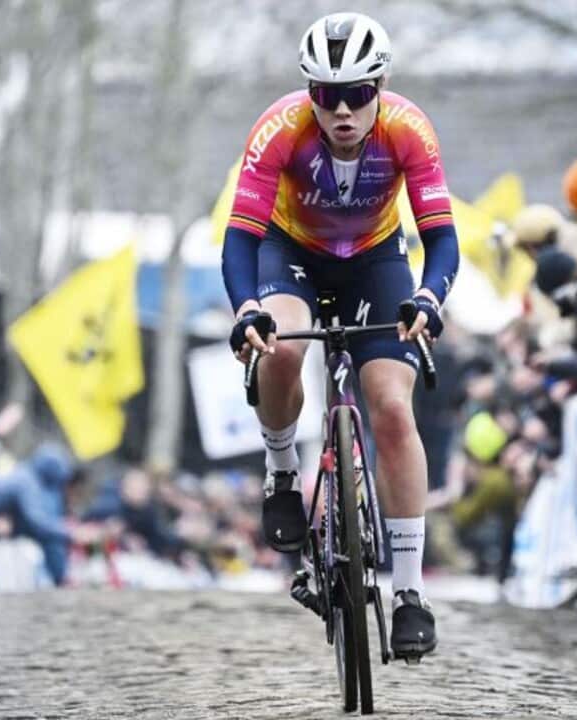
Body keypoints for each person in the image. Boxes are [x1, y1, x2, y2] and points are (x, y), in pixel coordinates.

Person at [221, 12, 458, 659]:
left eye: (358, 93)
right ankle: (280, 470)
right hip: (290, 251)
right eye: (328, 96)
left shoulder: (409, 130)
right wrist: (246, 309)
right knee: (284, 345)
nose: (343, 110)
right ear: (311, 95)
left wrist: (429, 299)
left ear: (380, 85)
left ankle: (408, 593)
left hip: (376, 259)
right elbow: (240, 237)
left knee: (389, 406)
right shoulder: (280, 129)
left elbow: (440, 237)